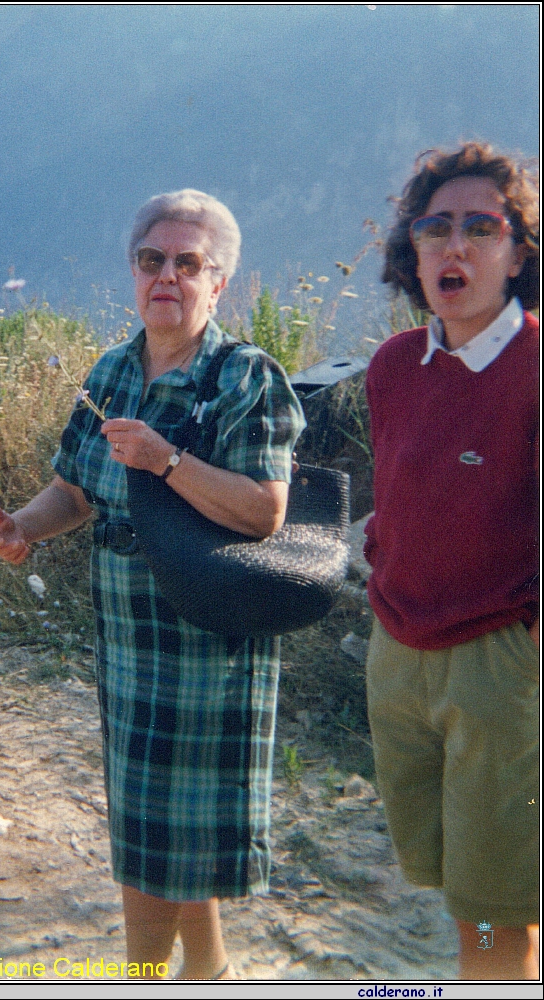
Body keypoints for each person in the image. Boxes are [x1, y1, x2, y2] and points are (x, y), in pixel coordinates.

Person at [0, 190, 305, 978]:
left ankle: (143, 981)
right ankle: (208, 973)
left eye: (187, 263)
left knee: (152, 845)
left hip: (206, 644)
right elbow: (76, 490)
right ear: (132, 270)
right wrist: (23, 527)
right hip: (129, 644)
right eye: (151, 259)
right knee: (159, 828)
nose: (166, 275)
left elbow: (263, 511)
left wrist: (166, 459)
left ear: (218, 281)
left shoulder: (244, 379)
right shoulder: (112, 370)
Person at [365, 143, 539, 980]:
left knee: (492, 914)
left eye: (481, 227)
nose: (454, 247)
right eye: (435, 228)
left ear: (517, 252)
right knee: (458, 884)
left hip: (498, 666)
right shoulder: (395, 365)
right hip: (396, 654)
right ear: (413, 250)